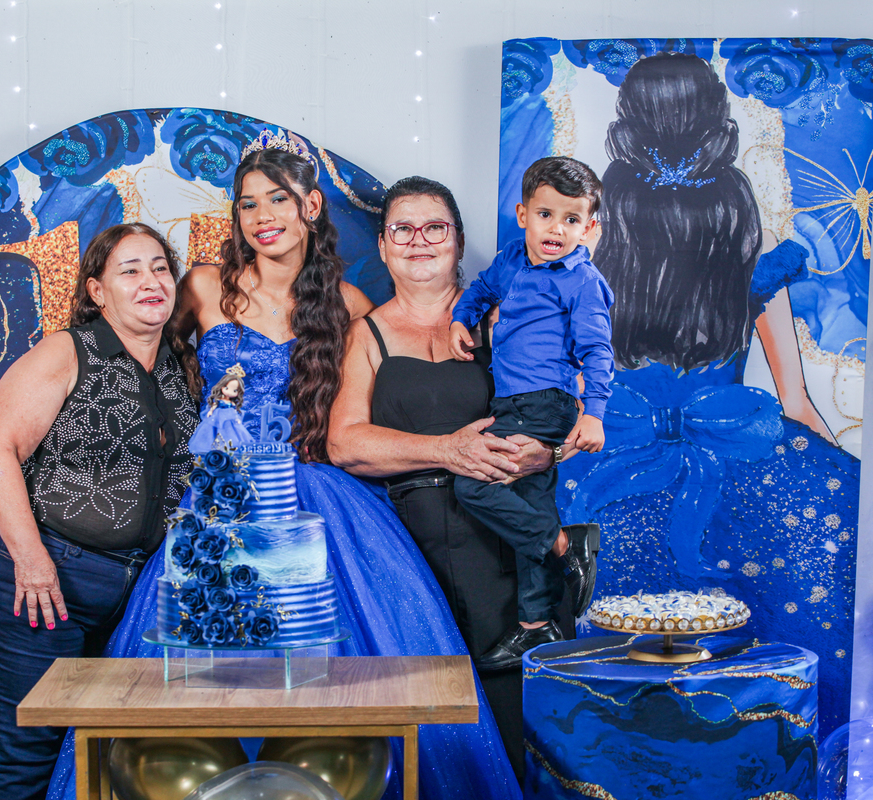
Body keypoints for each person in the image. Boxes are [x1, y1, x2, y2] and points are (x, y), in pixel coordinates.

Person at [47, 135, 525, 800]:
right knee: (205, 681)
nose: (262, 215)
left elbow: (402, 379)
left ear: (312, 206)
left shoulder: (351, 305)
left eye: (277, 198)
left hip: (321, 503)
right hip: (223, 505)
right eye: (247, 204)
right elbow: (141, 366)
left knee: (341, 678)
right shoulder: (203, 287)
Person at [561, 51, 858, 733]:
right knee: (758, 644)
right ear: (715, 122)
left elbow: (577, 389)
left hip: (613, 463)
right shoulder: (745, 231)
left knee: (619, 663)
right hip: (740, 461)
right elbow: (795, 404)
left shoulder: (589, 252)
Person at [327, 174, 586, 781]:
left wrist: (547, 452)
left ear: (459, 242)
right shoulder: (366, 334)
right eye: (402, 230)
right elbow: (344, 443)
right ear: (383, 246)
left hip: (508, 540)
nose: (419, 241)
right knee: (427, 737)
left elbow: (569, 410)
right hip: (408, 559)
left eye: (435, 228)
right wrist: (446, 450)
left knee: (521, 726)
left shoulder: (512, 313)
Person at [0, 223, 201, 800]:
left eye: (160, 268)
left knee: (101, 760)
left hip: (129, 594)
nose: (151, 281)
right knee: (30, 757)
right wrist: (31, 560)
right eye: (130, 270)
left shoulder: (179, 366)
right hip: (38, 580)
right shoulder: (69, 351)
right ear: (97, 290)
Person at [445, 157, 612, 669]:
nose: (556, 229)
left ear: (589, 228)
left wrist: (594, 413)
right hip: (511, 401)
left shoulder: (582, 281)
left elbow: (598, 351)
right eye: (545, 215)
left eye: (571, 219)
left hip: (544, 402)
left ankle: (566, 545)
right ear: (523, 215)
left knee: (474, 484)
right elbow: (481, 289)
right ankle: (537, 626)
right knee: (530, 506)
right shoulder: (512, 261)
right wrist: (461, 319)